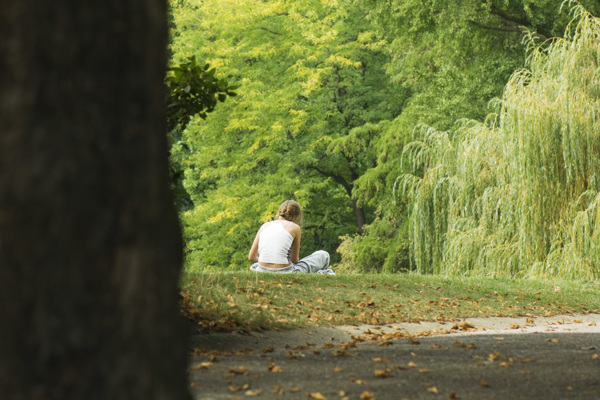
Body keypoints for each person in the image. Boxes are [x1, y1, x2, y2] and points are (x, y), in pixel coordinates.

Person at [248, 200, 333, 274]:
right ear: (295, 216)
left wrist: (268, 264)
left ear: (279, 212)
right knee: (323, 255)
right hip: (286, 271)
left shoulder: (264, 226)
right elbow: (294, 260)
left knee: (257, 264)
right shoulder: (294, 227)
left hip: (261, 269)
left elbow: (251, 257)